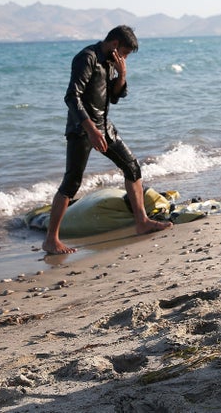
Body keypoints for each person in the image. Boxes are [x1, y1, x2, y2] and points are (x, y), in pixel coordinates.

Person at [42, 25, 172, 255]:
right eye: (124, 53)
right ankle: (51, 239)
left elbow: (113, 97)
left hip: (104, 126)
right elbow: (72, 97)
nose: (124, 58)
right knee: (72, 182)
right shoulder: (87, 58)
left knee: (132, 167)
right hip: (82, 128)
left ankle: (141, 222)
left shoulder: (110, 62)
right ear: (114, 45)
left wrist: (122, 74)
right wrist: (91, 130)